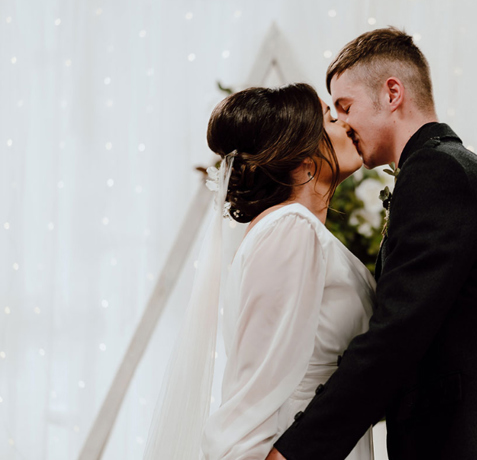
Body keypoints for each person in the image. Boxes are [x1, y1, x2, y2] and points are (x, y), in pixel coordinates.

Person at [268, 28, 477, 460]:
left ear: (392, 93)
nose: (342, 124)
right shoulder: (445, 167)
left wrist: (295, 452)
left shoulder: (438, 174)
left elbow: (395, 336)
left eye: (345, 106)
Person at [142, 83, 375, 460]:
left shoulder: (297, 231)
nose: (345, 124)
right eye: (331, 118)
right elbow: (255, 391)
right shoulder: (291, 229)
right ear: (304, 157)